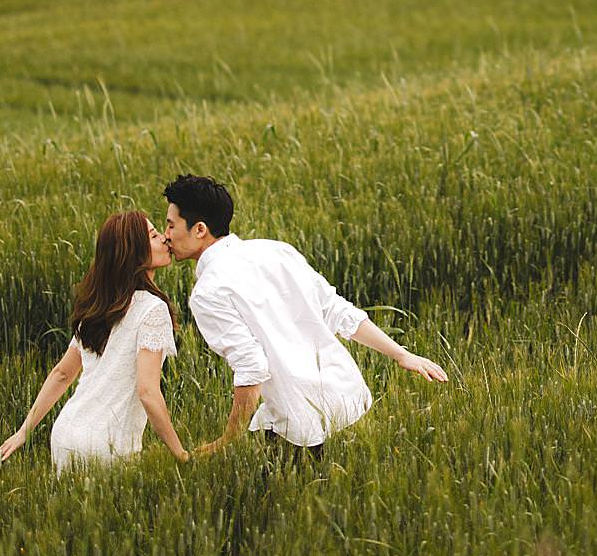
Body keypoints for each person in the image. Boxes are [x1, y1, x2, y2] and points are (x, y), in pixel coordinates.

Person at [163, 173, 448, 456]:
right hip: (348, 401)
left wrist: (228, 440)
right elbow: (337, 310)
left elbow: (252, 367)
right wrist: (401, 354)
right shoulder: (276, 250)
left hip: (300, 426)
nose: (166, 235)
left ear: (199, 229)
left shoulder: (209, 292)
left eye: (171, 225)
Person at [0, 210, 189, 469]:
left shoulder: (100, 304)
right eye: (153, 235)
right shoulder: (152, 309)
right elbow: (148, 392)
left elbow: (62, 373)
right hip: (109, 445)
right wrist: (180, 454)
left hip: (66, 434)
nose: (164, 238)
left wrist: (24, 431)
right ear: (135, 252)